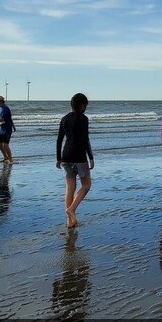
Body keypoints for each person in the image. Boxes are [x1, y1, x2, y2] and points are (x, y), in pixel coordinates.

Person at [56, 93, 94, 228]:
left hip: (65, 156)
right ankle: (71, 210)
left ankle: (70, 221)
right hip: (79, 156)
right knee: (86, 185)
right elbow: (85, 139)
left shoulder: (64, 118)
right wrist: (91, 157)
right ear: (81, 105)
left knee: (70, 188)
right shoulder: (84, 119)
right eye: (85, 105)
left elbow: (59, 139)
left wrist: (58, 158)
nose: (85, 108)